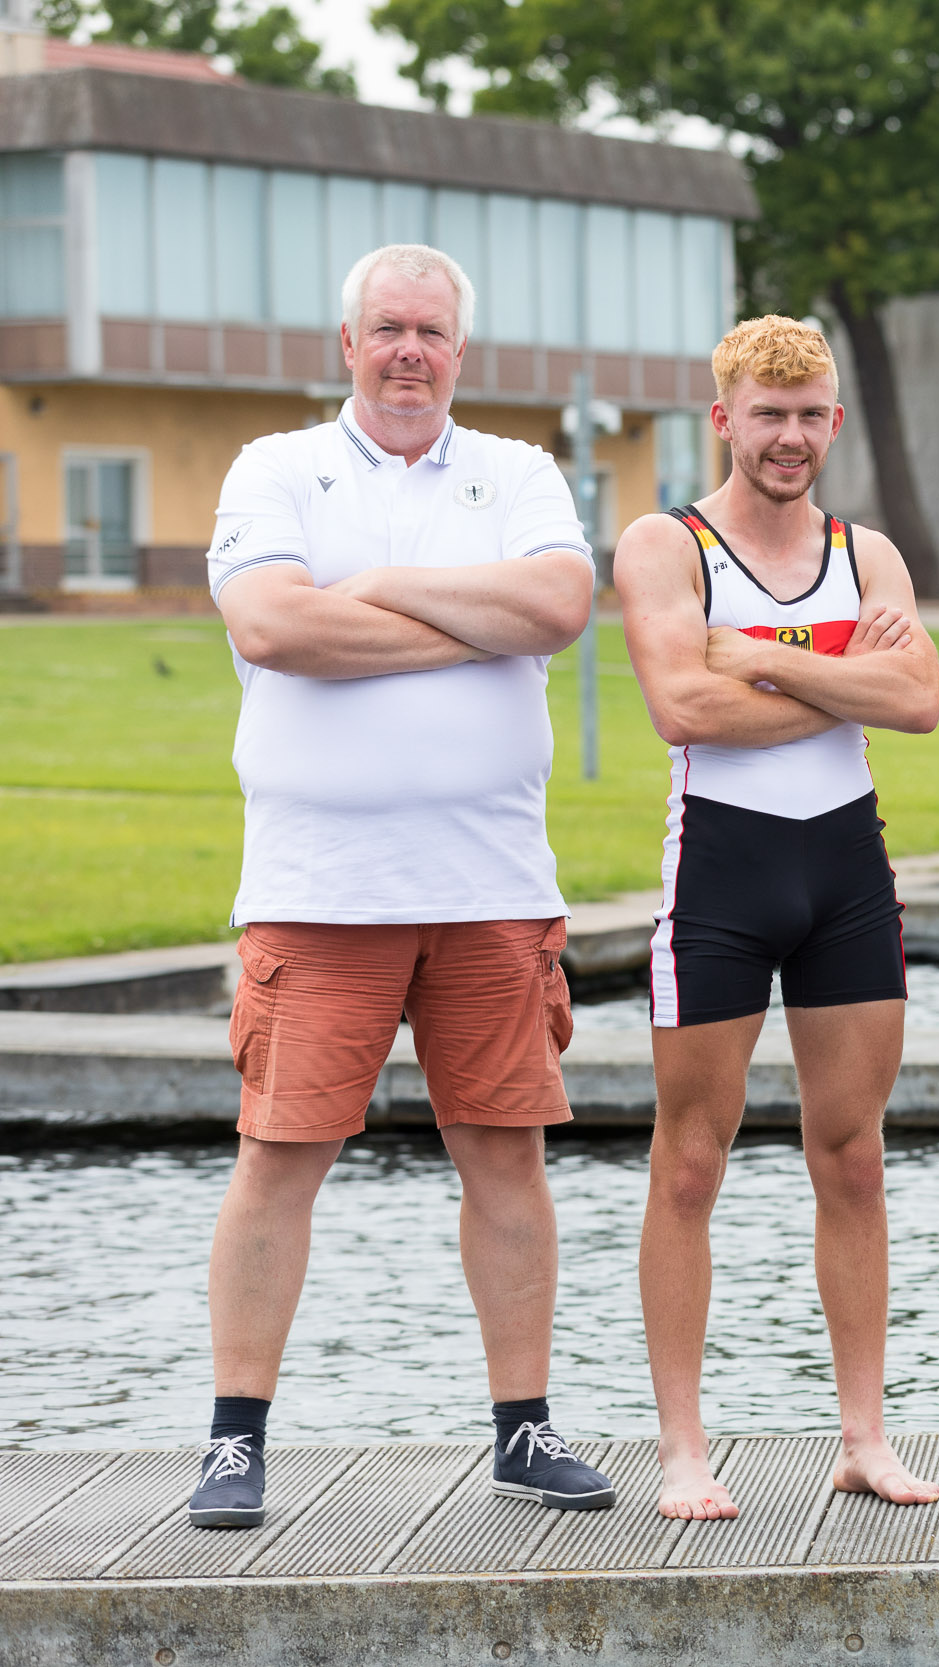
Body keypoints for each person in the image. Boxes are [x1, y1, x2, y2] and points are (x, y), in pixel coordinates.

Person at [189, 244, 611, 1528]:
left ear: (460, 351)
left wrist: (366, 592)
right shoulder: (276, 468)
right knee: (280, 1157)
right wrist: (463, 623)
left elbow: (558, 604)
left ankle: (523, 1429)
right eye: (388, 329)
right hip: (320, 890)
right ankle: (233, 1440)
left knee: (507, 1157)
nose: (410, 350)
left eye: (431, 331)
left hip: (488, 885)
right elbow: (272, 628)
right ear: (349, 342)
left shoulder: (518, 469)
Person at [614, 317, 939, 1518]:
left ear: (834, 423)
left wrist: (760, 655)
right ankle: (684, 1447)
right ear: (724, 419)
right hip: (721, 878)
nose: (790, 436)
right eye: (769, 414)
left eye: (811, 415)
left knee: (851, 1157)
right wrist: (839, 673)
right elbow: (679, 705)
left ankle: (863, 1433)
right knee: (691, 1161)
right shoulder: (667, 543)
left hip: (846, 878)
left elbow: (920, 700)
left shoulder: (869, 552)